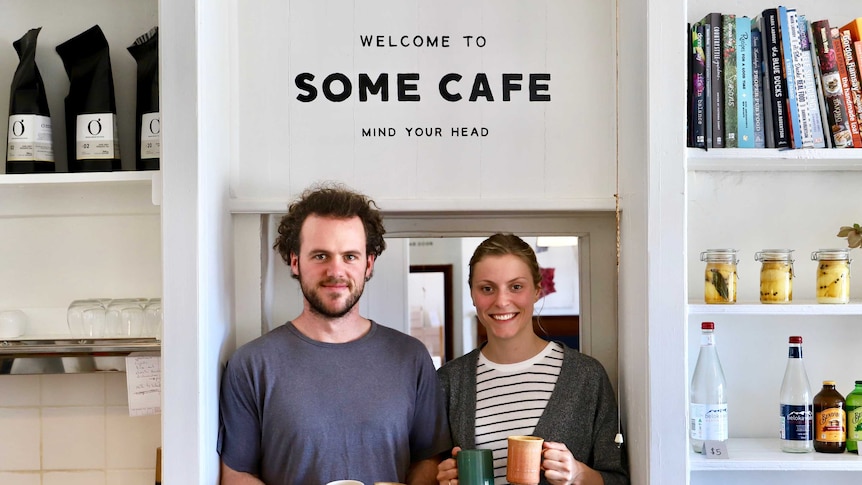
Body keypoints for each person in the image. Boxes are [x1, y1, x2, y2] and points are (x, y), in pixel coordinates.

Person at [218, 182, 452, 485]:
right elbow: (236, 474)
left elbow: (429, 460)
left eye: (350, 256)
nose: (336, 271)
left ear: (368, 264)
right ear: (294, 261)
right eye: (320, 256)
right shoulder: (251, 364)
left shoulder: (410, 357)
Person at [435, 234, 628, 485]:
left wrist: (579, 474)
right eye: (487, 288)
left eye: (516, 287)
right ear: (472, 294)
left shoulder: (586, 377)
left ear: (537, 291)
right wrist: (442, 478)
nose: (502, 301)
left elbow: (618, 479)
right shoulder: (449, 381)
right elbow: (429, 470)